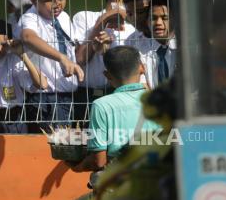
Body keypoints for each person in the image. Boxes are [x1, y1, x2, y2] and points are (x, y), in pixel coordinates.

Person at [66, 46, 161, 185]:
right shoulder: (159, 101)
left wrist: (78, 167)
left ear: (107, 75)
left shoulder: (101, 105)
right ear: (142, 68)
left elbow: (99, 161)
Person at [17, 0, 84, 132]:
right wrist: (62, 58)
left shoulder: (64, 17)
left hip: (68, 96)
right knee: (54, 149)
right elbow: (28, 37)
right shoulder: (30, 18)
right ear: (34, 0)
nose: (56, 4)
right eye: (49, 0)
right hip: (47, 99)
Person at [73, 0, 139, 120]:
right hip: (86, 96)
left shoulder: (131, 30)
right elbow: (80, 58)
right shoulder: (84, 18)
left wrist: (106, 50)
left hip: (117, 96)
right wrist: (101, 23)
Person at [0, 19, 48, 133]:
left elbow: (42, 84)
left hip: (14, 120)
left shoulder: (14, 61)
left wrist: (22, 55)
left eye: (4, 45)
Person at [126, 0, 176, 89]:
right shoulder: (136, 46)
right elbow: (140, 85)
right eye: (153, 18)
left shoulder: (190, 46)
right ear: (147, 21)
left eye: (165, 18)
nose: (158, 23)